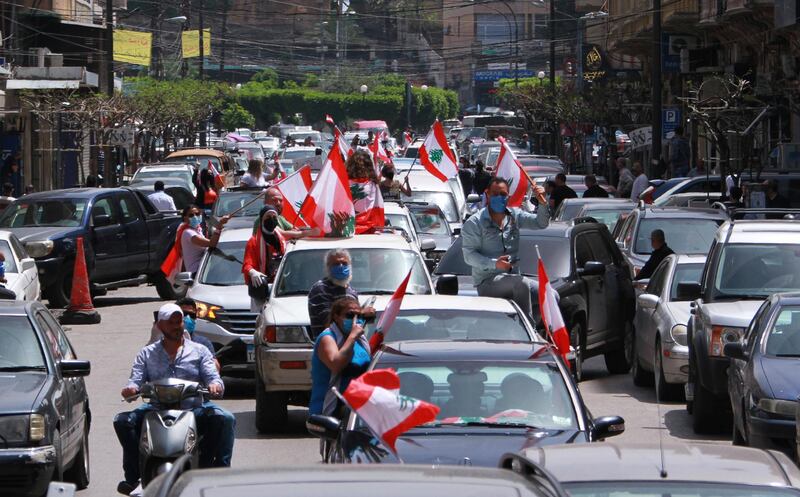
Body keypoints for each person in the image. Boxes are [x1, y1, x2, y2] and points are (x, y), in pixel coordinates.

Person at [113, 304, 235, 495]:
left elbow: (213, 376)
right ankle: (134, 477)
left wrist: (215, 385)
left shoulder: (199, 350)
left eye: (178, 321)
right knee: (122, 421)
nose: (176, 326)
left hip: (193, 409)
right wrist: (131, 389)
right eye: (171, 322)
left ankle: (215, 472)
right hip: (155, 410)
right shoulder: (146, 353)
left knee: (224, 418)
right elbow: (135, 380)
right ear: (160, 326)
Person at [461, 177, 549, 319]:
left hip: (513, 277)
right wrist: (495, 263)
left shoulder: (515, 215)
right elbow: (469, 256)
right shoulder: (475, 222)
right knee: (522, 284)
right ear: (487, 194)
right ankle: (527, 332)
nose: (499, 198)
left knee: (551, 296)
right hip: (488, 282)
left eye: (503, 195)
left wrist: (542, 202)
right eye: (495, 194)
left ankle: (539, 330)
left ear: (508, 196)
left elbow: (541, 223)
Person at [309, 297, 371, 417]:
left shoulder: (361, 340)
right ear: (336, 317)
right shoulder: (328, 338)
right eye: (349, 315)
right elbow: (336, 365)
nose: (355, 320)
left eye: (359, 316)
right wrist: (352, 337)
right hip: (331, 407)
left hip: (355, 408)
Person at [307, 249, 376, 339]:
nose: (341, 266)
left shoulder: (352, 292)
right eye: (336, 264)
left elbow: (355, 325)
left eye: (344, 263)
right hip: (329, 346)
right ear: (328, 267)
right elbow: (329, 323)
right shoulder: (321, 289)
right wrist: (361, 313)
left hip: (349, 346)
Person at [243, 209, 286, 312]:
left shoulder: (281, 240)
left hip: (280, 289)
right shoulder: (253, 242)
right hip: (261, 289)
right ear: (262, 219)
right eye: (268, 217)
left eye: (274, 217)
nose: (271, 220)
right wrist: (252, 272)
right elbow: (247, 265)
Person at [180, 205, 230, 274]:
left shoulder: (198, 229)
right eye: (191, 215)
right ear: (185, 219)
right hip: (196, 273)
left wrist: (227, 257)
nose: (195, 217)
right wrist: (220, 224)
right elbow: (212, 243)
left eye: (197, 214)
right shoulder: (188, 233)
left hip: (205, 267)